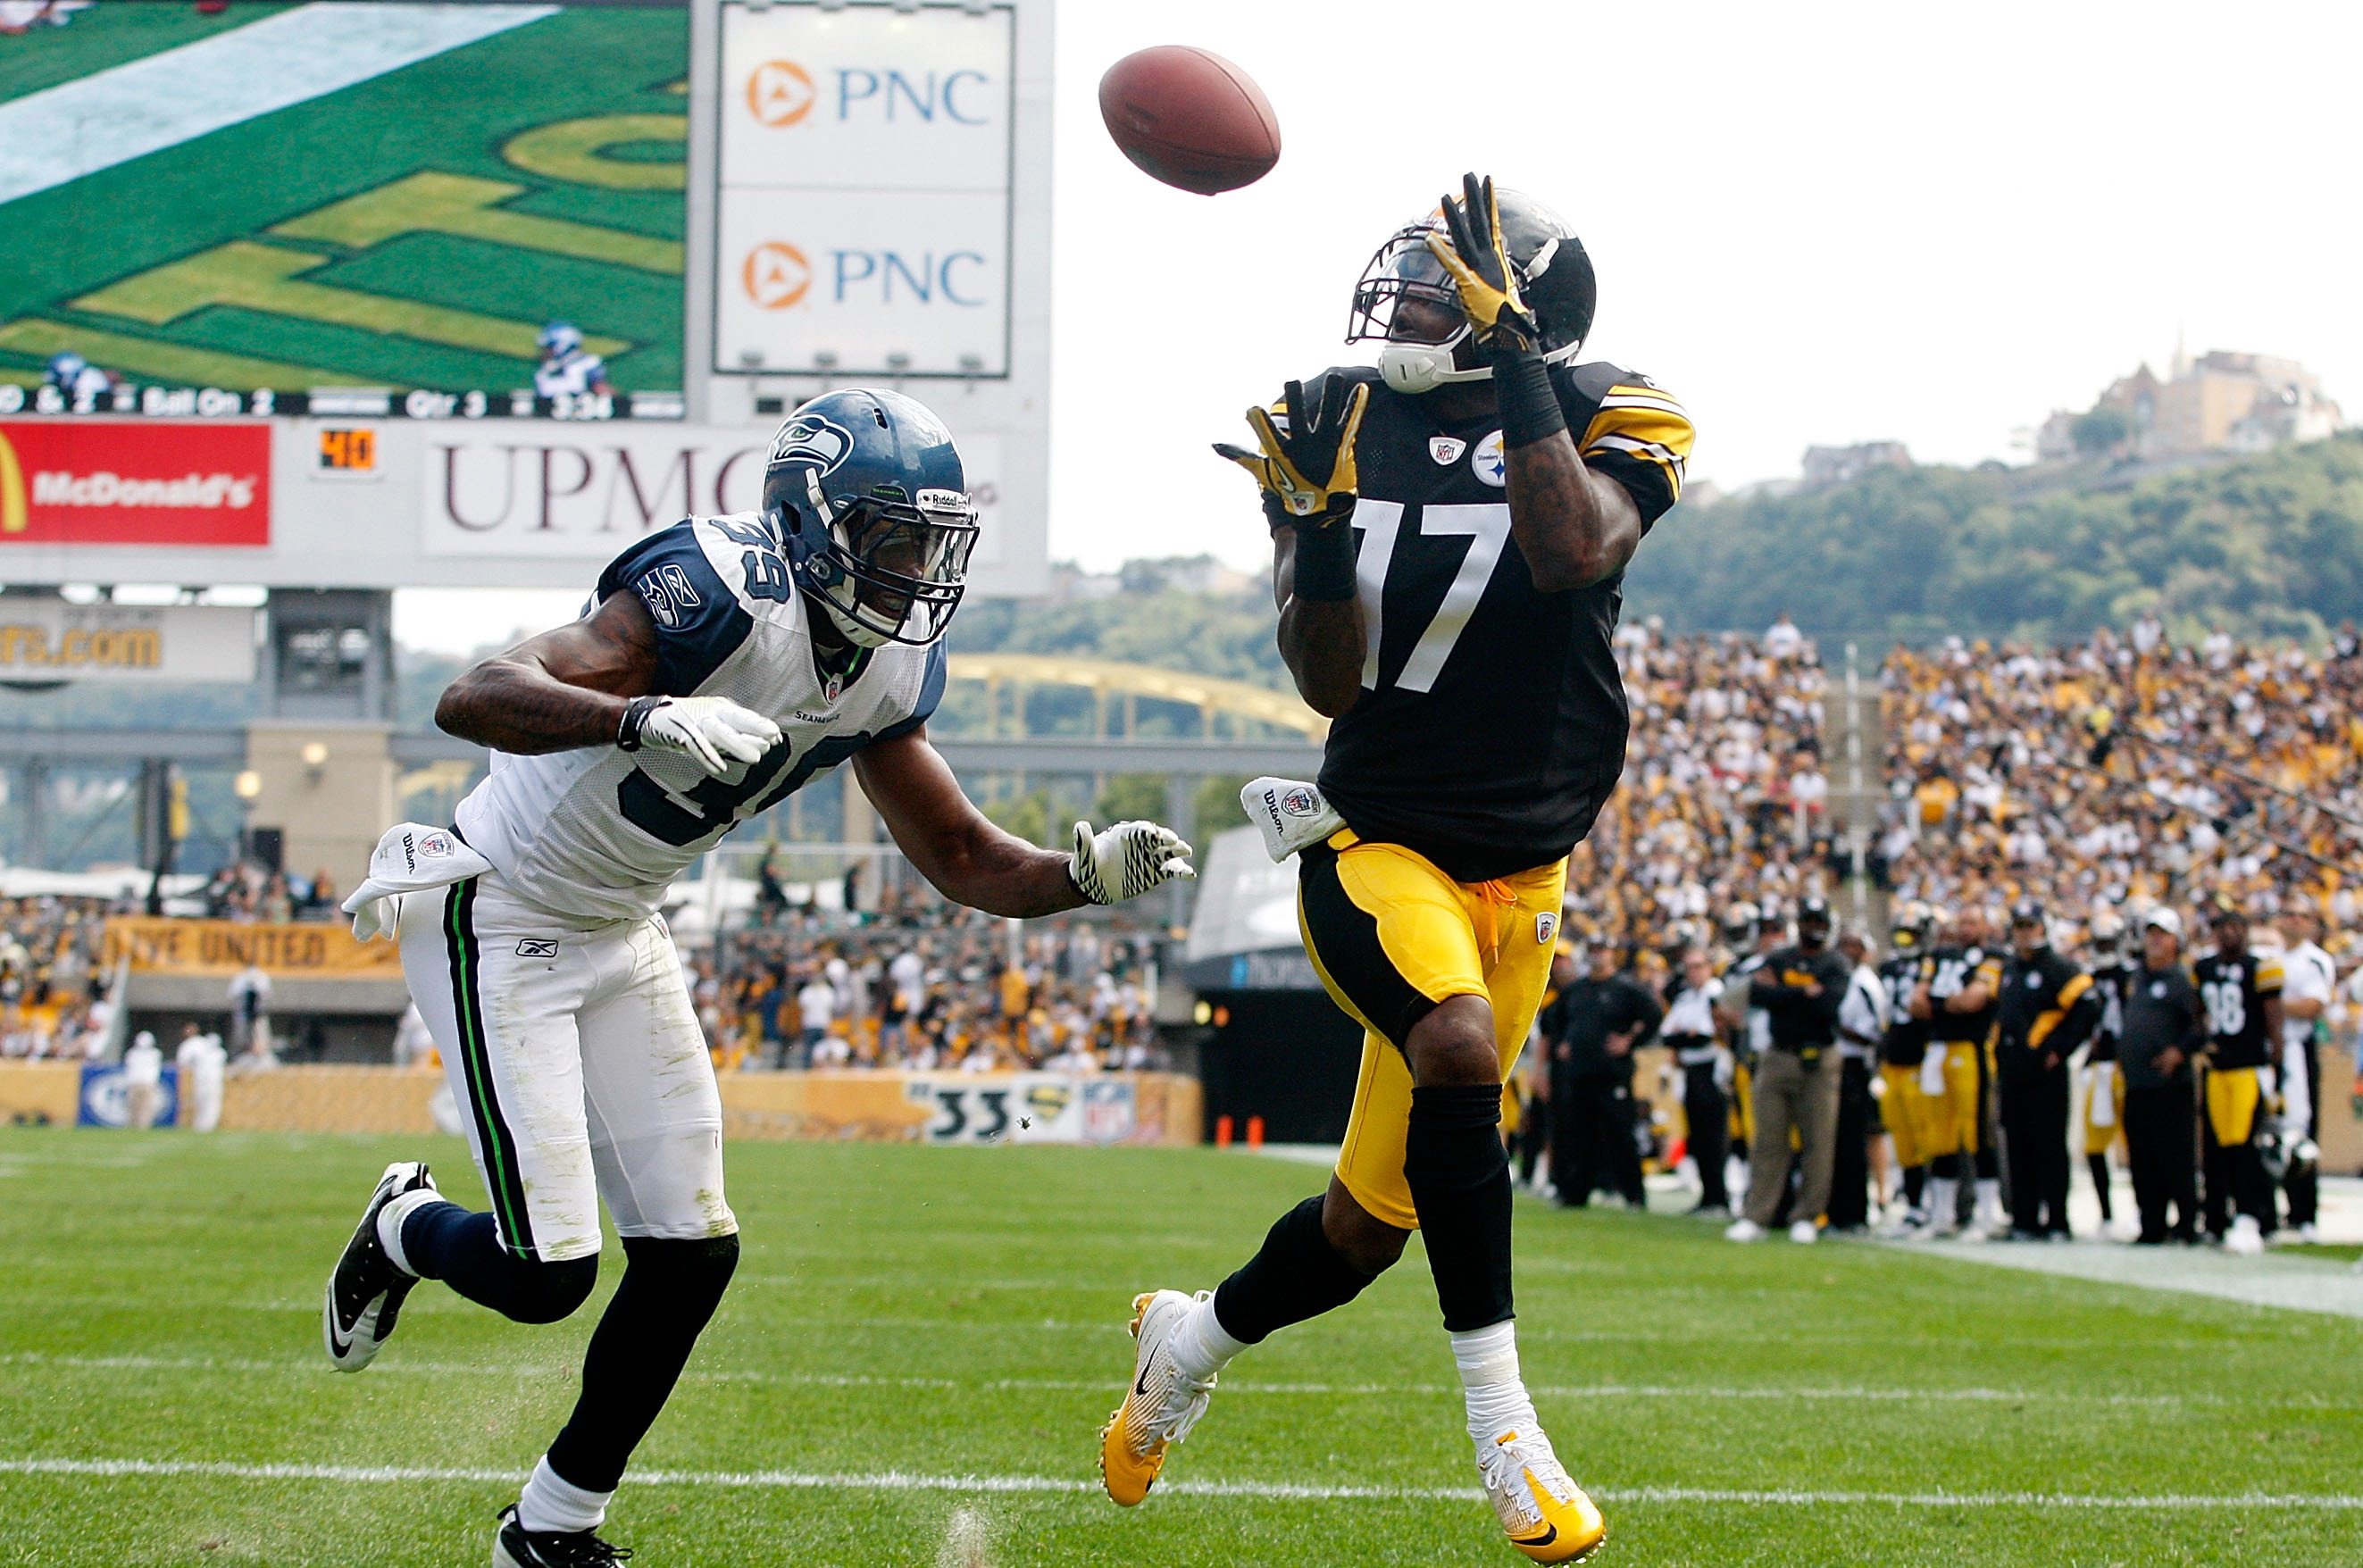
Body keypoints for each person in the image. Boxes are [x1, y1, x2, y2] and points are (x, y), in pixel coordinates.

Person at [321, 388, 1194, 1568]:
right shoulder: (718, 588)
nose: (914, 567)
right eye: (891, 536)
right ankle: (409, 1226)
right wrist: (634, 717)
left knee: (690, 1253)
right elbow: (470, 693)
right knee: (547, 1276)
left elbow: (962, 859)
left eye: (931, 541)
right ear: (811, 519)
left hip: (622, 926)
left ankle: (551, 1527)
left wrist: (1078, 878)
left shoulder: (887, 667)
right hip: (501, 909)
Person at [1106, 174, 1692, 1564]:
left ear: (1522, 306)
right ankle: (1507, 1436)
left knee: (1363, 1231)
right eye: (1418, 277)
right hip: (1373, 839)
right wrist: (1311, 530)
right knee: (1455, 1046)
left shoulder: (1619, 405)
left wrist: (1515, 378)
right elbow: (1328, 679)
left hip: (1522, 877)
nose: (1410, 300)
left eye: (1447, 281)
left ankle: (1186, 1346)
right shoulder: (1340, 412)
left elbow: (1569, 552)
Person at [1726, 897, 1849, 1243]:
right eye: (1808, 920)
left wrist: (1784, 992)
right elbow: (1758, 994)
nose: (1814, 927)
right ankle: (1757, 1215)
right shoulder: (1781, 958)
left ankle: (1808, 1214)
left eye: (1818, 920)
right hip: (1777, 1055)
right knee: (1767, 1140)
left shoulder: (1835, 963)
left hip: (1819, 1058)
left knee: (1818, 1142)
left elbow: (1827, 1006)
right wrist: (1801, 993)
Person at [1993, 901, 2100, 1240]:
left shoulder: (2058, 968)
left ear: (2043, 928)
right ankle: (2024, 1218)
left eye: (2030, 926)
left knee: (2049, 1145)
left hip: (2044, 1072)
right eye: (2019, 926)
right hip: (2013, 1069)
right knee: (2018, 1146)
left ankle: (2057, 1219)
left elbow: (2088, 1007)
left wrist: (2059, 1048)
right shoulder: (2010, 968)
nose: (2024, 933)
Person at [1906, 908, 2005, 1239]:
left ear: (1984, 926)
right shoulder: (1938, 955)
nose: (1965, 928)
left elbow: (1974, 1000)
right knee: (1940, 1134)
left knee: (1977, 1133)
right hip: (1937, 1051)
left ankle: (1987, 1216)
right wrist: (1946, 1003)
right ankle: (1942, 1215)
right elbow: (1916, 1003)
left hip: (1972, 1049)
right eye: (1961, 922)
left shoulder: (1992, 956)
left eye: (1972, 922)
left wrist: (1937, 1004)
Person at [1542, 942, 1662, 1209]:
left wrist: (1630, 1040)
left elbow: (1653, 1015)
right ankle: (1575, 1193)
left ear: (1612, 954)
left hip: (1612, 1073)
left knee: (1621, 1132)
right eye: (1594, 950)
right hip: (1579, 1073)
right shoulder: (1577, 989)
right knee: (1578, 1134)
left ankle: (1633, 1194)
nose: (1597, 955)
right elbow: (1554, 1022)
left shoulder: (1626, 988)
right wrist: (1563, 1044)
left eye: (1602, 950)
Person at [2193, 902, 2283, 1255]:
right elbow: (2198, 1014)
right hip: (2219, 1068)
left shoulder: (2260, 967)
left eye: (2235, 926)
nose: (2229, 933)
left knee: (2247, 1145)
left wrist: (2275, 1060)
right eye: (2223, 927)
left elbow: (2273, 1019)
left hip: (2249, 1066)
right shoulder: (2203, 968)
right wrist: (2203, 1044)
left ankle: (2252, 1217)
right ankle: (2218, 1217)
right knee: (2218, 1147)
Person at [2119, 908, 2203, 1244]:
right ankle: (2151, 1225)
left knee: (2175, 1156)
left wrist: (2179, 1052)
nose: (2154, 939)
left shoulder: (2183, 980)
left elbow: (2202, 1024)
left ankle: (2186, 1224)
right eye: (2151, 933)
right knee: (2142, 1158)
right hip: (2137, 1082)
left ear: (2175, 940)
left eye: (2162, 934)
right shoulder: (2137, 977)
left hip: (2170, 1085)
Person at [1875, 903, 1936, 1230]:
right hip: (1894, 1063)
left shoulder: (1933, 967)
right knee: (1902, 1137)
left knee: (1927, 1135)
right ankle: (1914, 1204)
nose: (1906, 940)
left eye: (1913, 934)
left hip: (1922, 1061)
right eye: (1902, 933)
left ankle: (1934, 1205)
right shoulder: (1889, 968)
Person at [2276, 905, 2335, 1242]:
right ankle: (2281, 1208)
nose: (2295, 919)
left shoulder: (2315, 959)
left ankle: (2305, 1211)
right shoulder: (2272, 955)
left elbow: (2313, 1006)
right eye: (2290, 913)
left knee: (2303, 1130)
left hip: (2299, 1049)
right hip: (2273, 1050)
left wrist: (2271, 1002)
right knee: (2274, 1130)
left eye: (2302, 914)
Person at [1825, 926, 1888, 1232]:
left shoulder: (1865, 983)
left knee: (1852, 1141)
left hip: (1854, 1066)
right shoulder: (1841, 977)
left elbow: (1872, 1035)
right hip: (1835, 1064)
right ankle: (1836, 1210)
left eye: (1855, 944)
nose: (1848, 950)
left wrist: (1834, 1025)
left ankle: (1854, 1213)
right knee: (1834, 1142)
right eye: (1844, 944)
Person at [1659, 947, 1729, 1214]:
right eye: (1690, 967)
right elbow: (1668, 1034)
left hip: (1713, 1070)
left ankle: (1718, 1197)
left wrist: (1686, 1037)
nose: (1694, 972)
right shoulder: (1686, 997)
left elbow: (1703, 1035)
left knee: (1713, 1136)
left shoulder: (1715, 994)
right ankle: (1708, 1195)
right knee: (1698, 1136)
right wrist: (1685, 1036)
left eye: (1699, 966)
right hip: (1691, 1070)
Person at [2079, 909, 2133, 1233]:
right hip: (2097, 1066)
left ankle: (2143, 1211)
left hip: (2125, 1067)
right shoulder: (2087, 978)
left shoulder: (2131, 976)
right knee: (2094, 1145)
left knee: (2138, 1143)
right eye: (2099, 942)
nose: (2104, 948)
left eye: (2108, 942)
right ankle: (2107, 1215)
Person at [533, 321, 613, 399]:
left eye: (548, 348)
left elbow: (601, 390)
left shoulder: (587, 364)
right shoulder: (542, 374)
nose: (544, 353)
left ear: (561, 346)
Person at [175, 1022, 228, 1133]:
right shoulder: (205, 1052)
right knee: (203, 1105)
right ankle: (201, 1127)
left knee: (210, 1106)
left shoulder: (217, 1053)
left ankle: (206, 1127)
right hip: (204, 1083)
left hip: (210, 1083)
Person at [121, 1030, 163, 1130]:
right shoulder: (154, 1053)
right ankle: (140, 1127)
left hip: (140, 1082)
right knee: (140, 1107)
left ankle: (139, 1126)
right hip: (143, 1083)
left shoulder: (134, 1053)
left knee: (139, 1107)